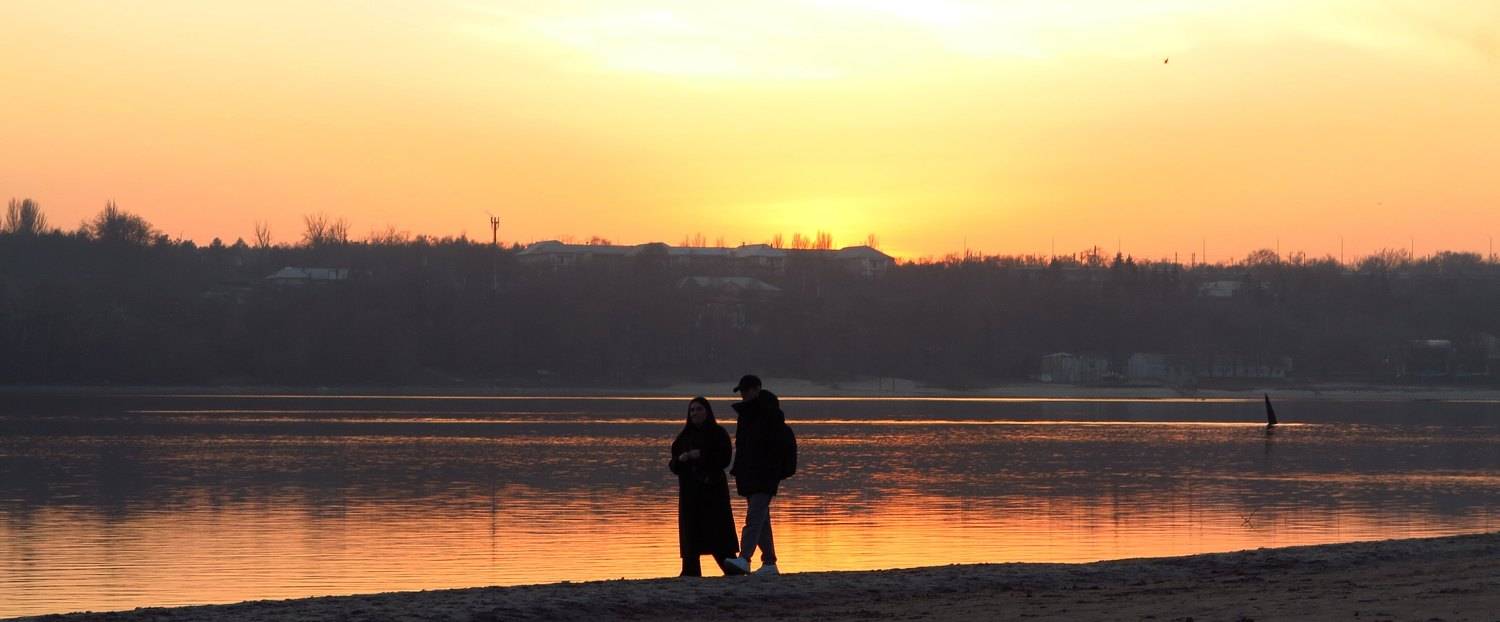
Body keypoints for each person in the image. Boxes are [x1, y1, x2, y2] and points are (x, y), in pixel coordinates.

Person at [668, 396, 744, 577]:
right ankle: (690, 571)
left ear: (707, 412)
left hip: (713, 491)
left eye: (699, 409)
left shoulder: (718, 434)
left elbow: (724, 459)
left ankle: (731, 569)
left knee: (718, 534)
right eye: (692, 410)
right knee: (691, 536)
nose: (695, 413)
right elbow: (673, 465)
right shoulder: (683, 437)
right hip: (690, 493)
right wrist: (681, 460)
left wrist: (701, 455)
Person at [723, 374, 784, 576]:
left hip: (765, 475)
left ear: (757, 389)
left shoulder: (770, 413)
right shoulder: (746, 415)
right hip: (750, 474)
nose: (743, 394)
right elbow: (743, 447)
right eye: (741, 390)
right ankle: (769, 563)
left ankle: (745, 558)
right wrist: (739, 470)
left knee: (754, 517)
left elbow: (772, 447)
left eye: (746, 390)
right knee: (761, 519)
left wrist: (771, 470)